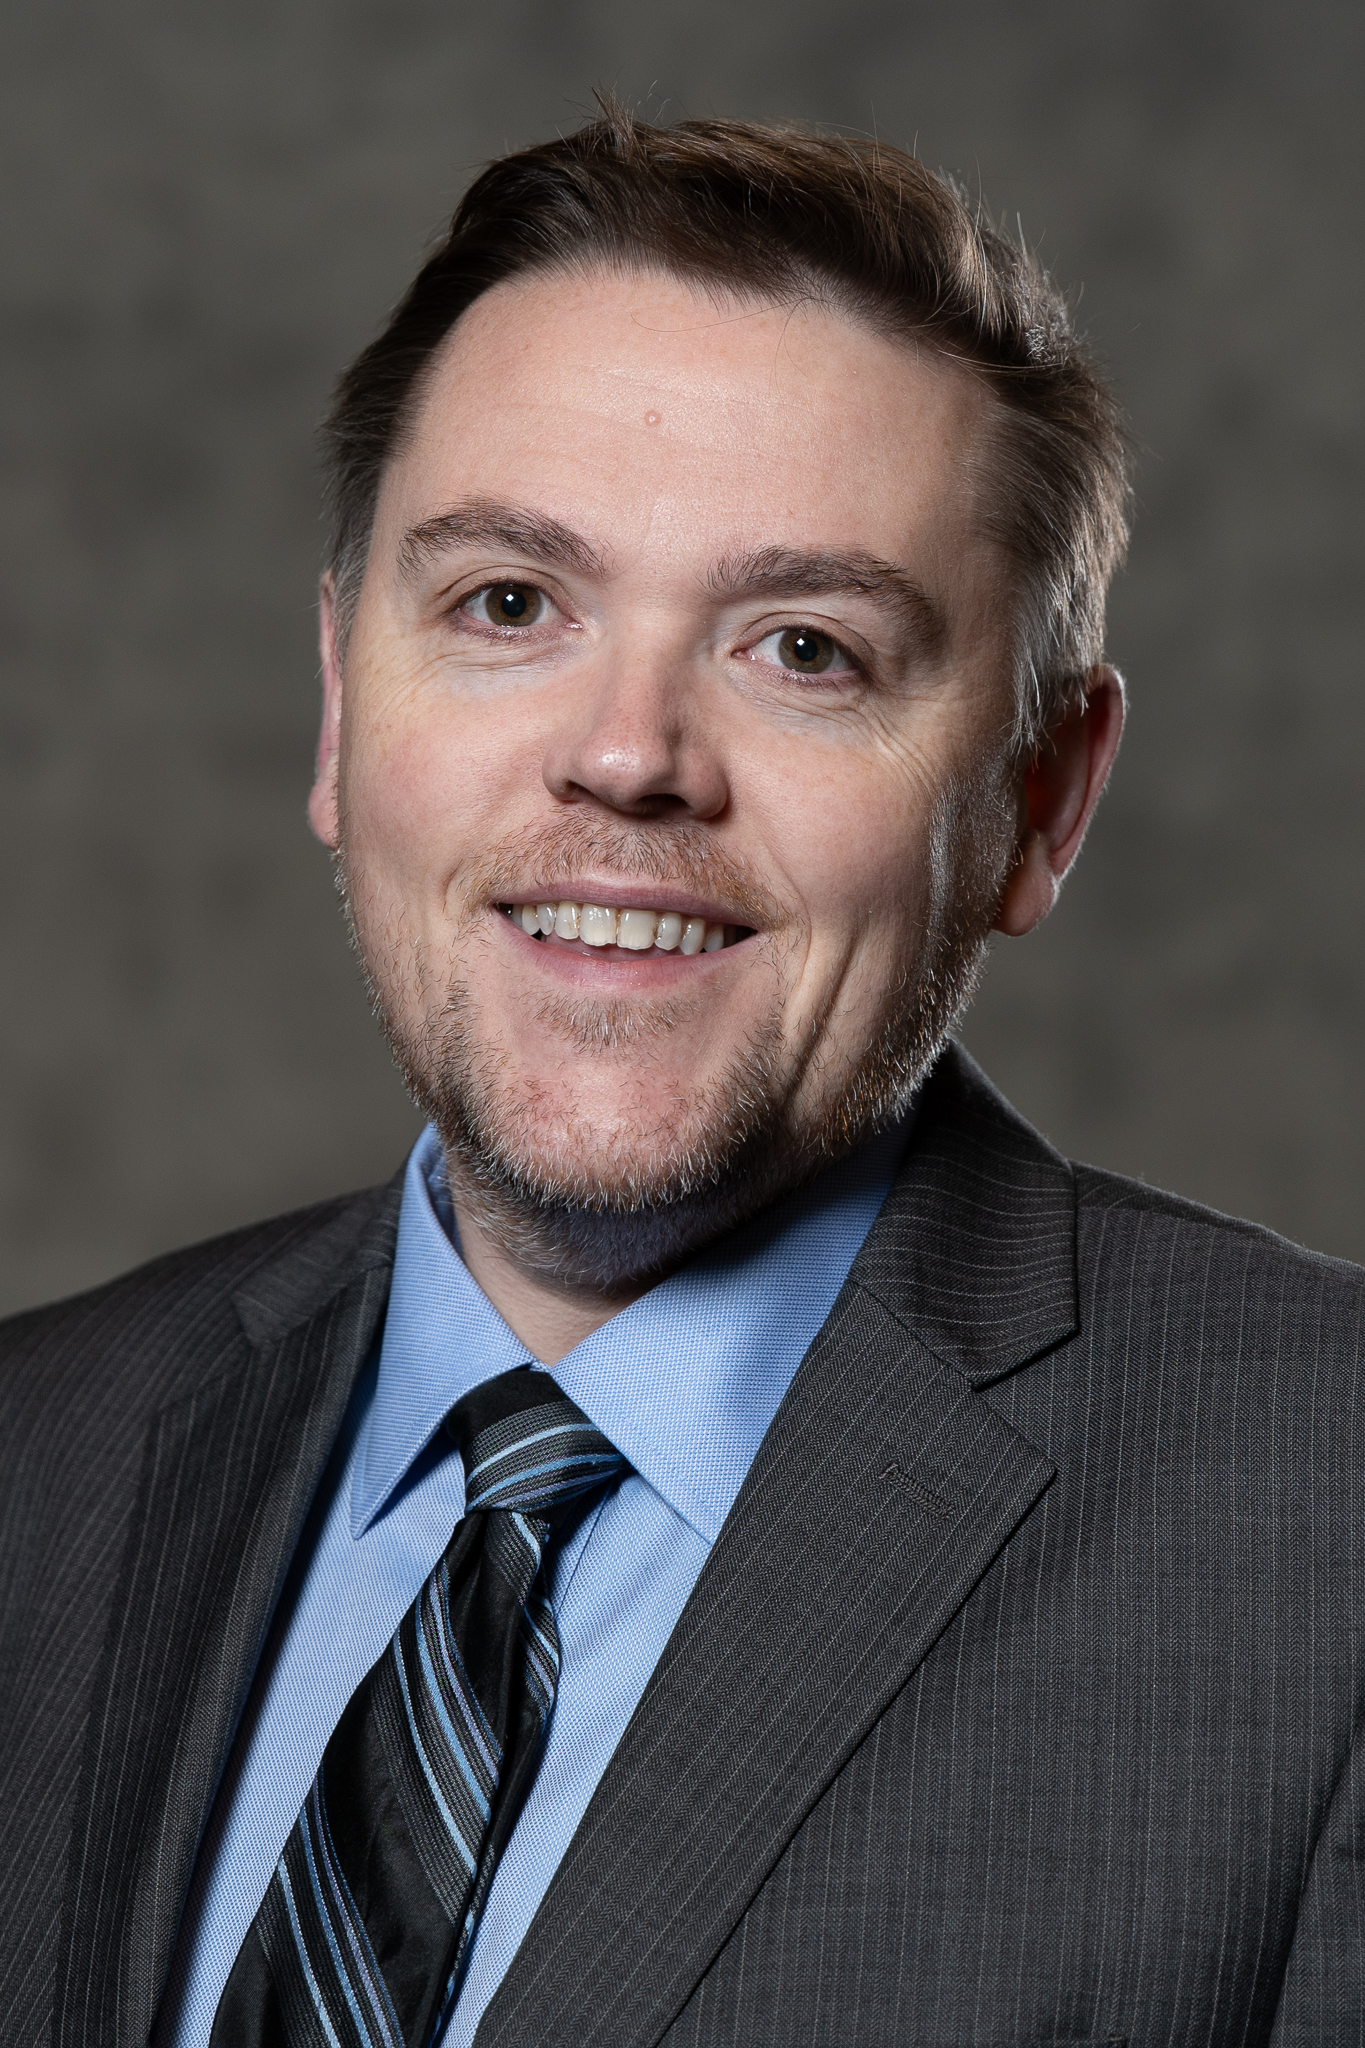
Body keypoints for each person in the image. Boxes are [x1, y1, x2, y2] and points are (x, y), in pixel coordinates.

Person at [2, 101, 1362, 2048]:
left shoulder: (1325, 1533)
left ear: (1037, 805)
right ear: (337, 699)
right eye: (505, 606)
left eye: (800, 646)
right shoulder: (32, 1467)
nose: (625, 754)